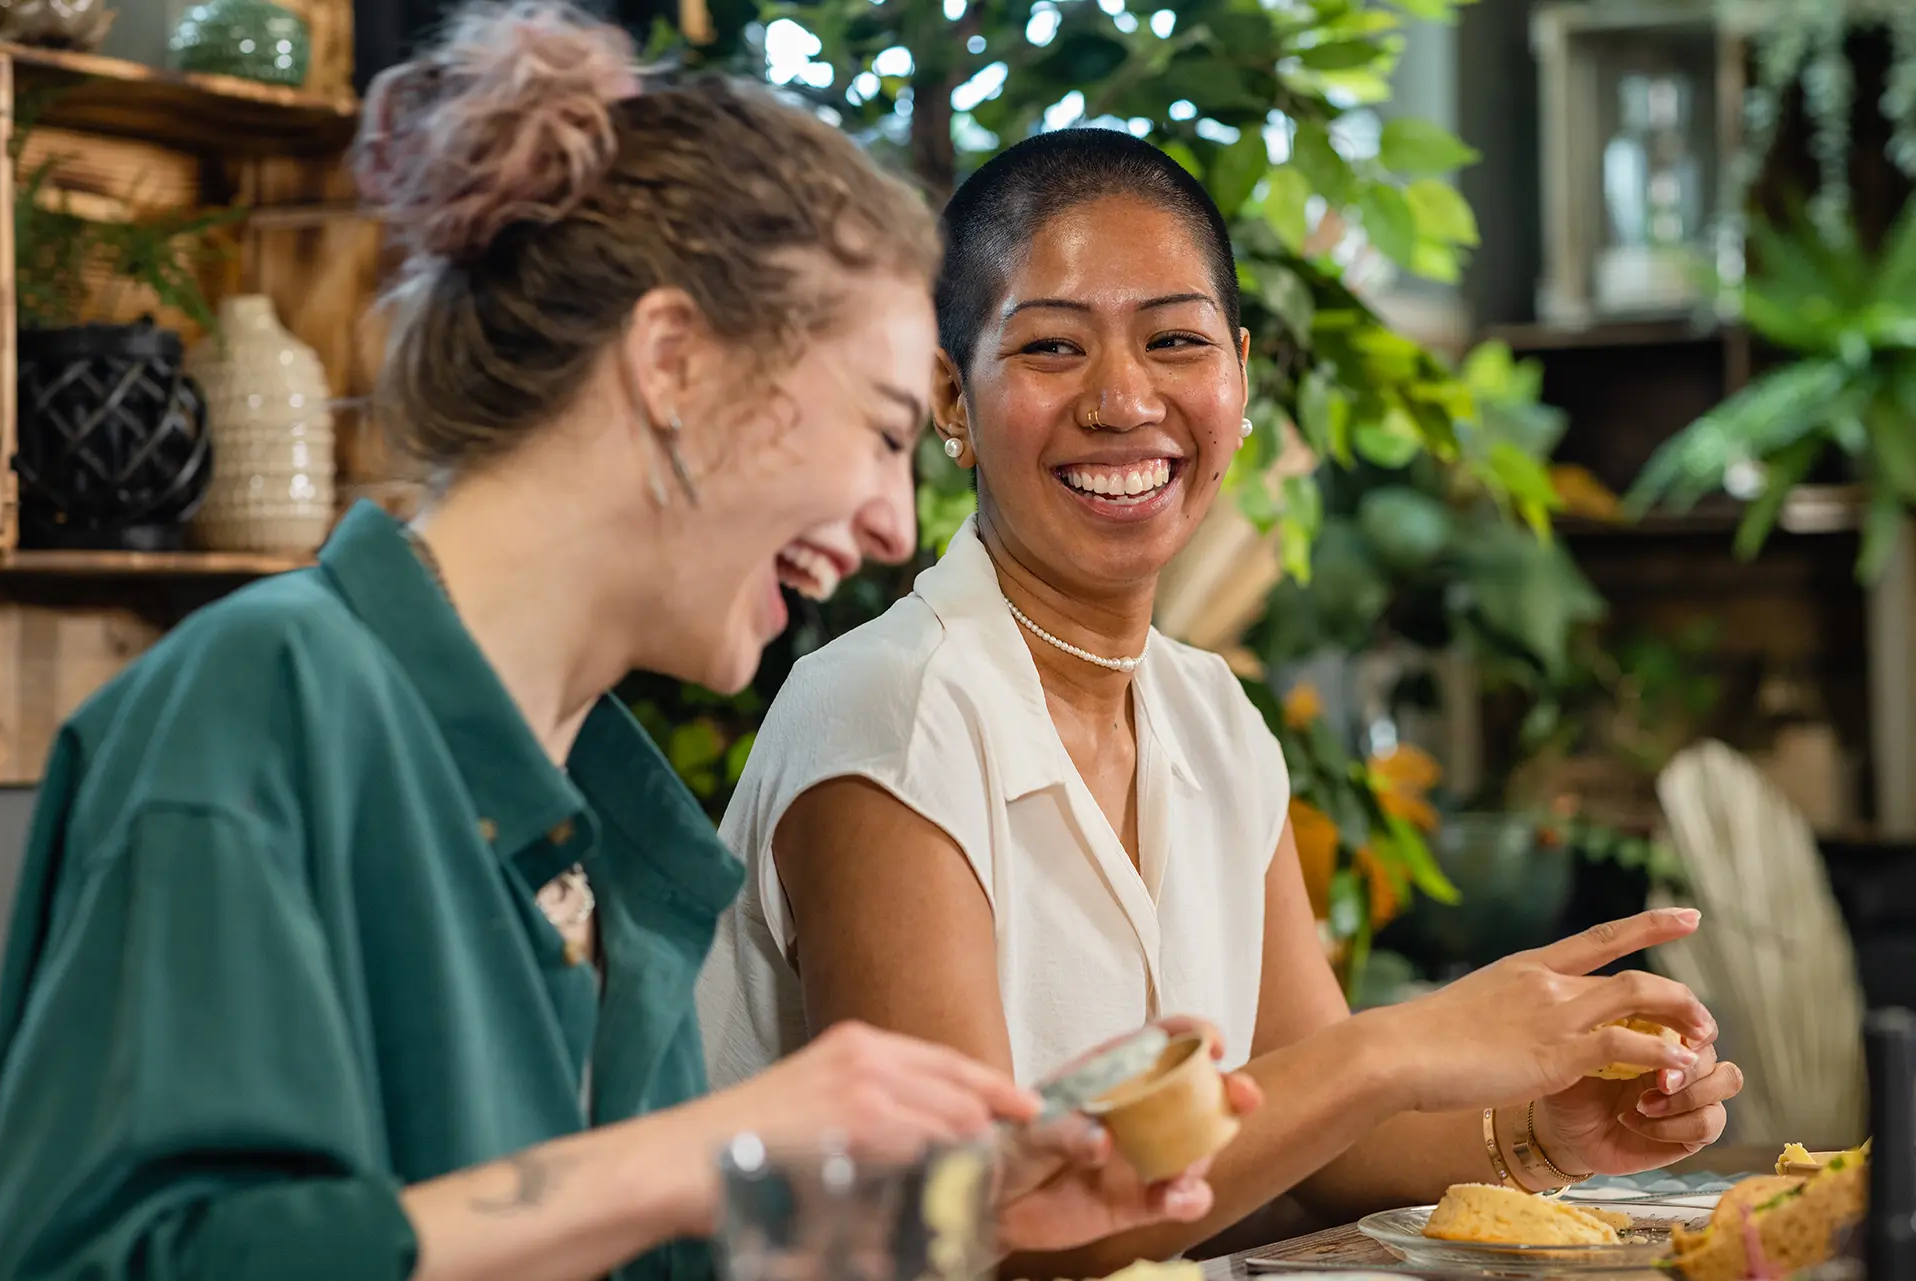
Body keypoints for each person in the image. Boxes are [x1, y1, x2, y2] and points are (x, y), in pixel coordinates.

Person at [0, 12, 1253, 1281]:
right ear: (673, 364)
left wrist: (924, 1220)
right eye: (880, 429)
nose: (889, 526)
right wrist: (707, 1153)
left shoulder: (603, 814)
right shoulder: (260, 705)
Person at [697, 127, 1745, 1272]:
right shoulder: (888, 714)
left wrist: (1541, 1132)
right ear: (952, 396)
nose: (1123, 399)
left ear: (1238, 378)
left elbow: (1323, 1150)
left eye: (1176, 341)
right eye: (1051, 348)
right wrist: (1396, 1047)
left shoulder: (1212, 716)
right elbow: (969, 1231)